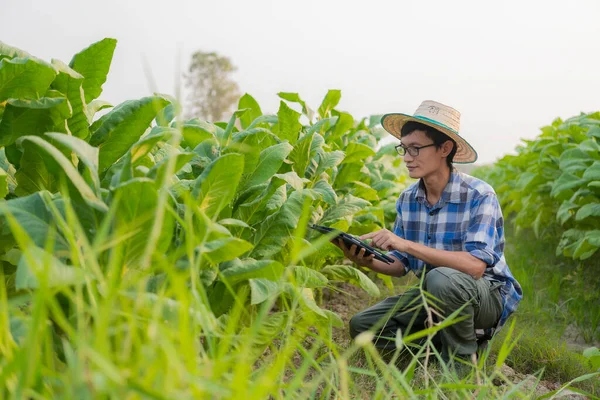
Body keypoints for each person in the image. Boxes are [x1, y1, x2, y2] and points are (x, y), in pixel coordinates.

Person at [337, 100, 523, 363]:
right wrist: (362, 257)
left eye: (415, 149)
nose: (406, 158)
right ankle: (441, 345)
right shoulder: (407, 199)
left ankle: (462, 364)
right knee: (362, 326)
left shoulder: (479, 194)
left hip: (486, 296)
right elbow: (401, 265)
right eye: (403, 148)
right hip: (432, 293)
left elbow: (475, 267)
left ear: (445, 148)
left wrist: (405, 244)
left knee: (441, 279)